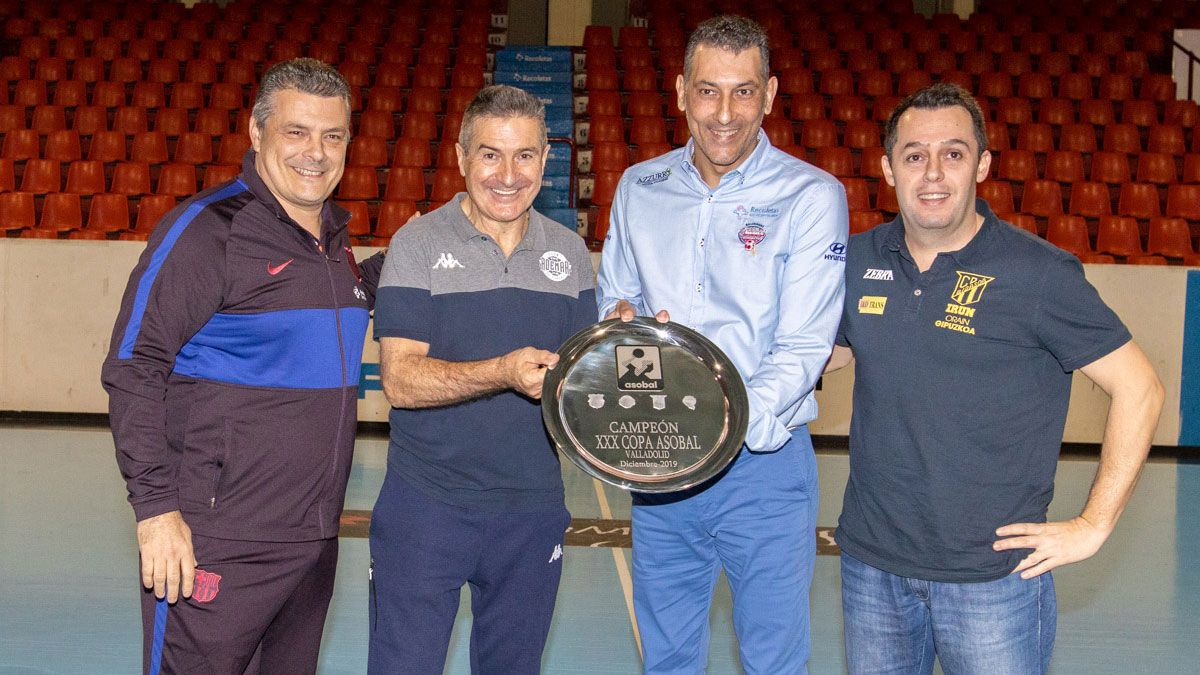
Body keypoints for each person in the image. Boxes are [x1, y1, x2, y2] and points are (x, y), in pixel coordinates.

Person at [826, 82, 1164, 674]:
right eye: (914, 156)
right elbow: (818, 355)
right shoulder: (855, 261)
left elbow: (1140, 388)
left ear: (982, 164)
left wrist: (1093, 524)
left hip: (993, 581)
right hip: (872, 567)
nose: (933, 173)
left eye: (953, 154)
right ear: (886, 169)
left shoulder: (1037, 274)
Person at [102, 58, 386, 674]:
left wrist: (414, 256)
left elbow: (349, 300)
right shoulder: (206, 231)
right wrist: (155, 510)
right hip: (216, 540)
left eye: (332, 136)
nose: (316, 152)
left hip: (313, 542)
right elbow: (134, 365)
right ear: (256, 134)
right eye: (296, 132)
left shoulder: (333, 242)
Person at [596, 15, 848, 673]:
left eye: (743, 91)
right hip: (663, 467)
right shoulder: (637, 187)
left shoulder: (813, 196)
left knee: (773, 658)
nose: (725, 113)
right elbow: (614, 311)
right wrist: (623, 331)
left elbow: (802, 348)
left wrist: (719, 426)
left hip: (763, 467)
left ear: (770, 93)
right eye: (709, 91)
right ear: (680, 92)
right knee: (669, 658)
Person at [367, 85, 595, 674]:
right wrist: (502, 372)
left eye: (524, 156)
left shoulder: (570, 255)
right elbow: (401, 380)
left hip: (532, 510)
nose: (507, 175)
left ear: (546, 160)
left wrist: (620, 343)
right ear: (462, 157)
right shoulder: (416, 244)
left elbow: (581, 390)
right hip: (427, 507)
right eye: (490, 154)